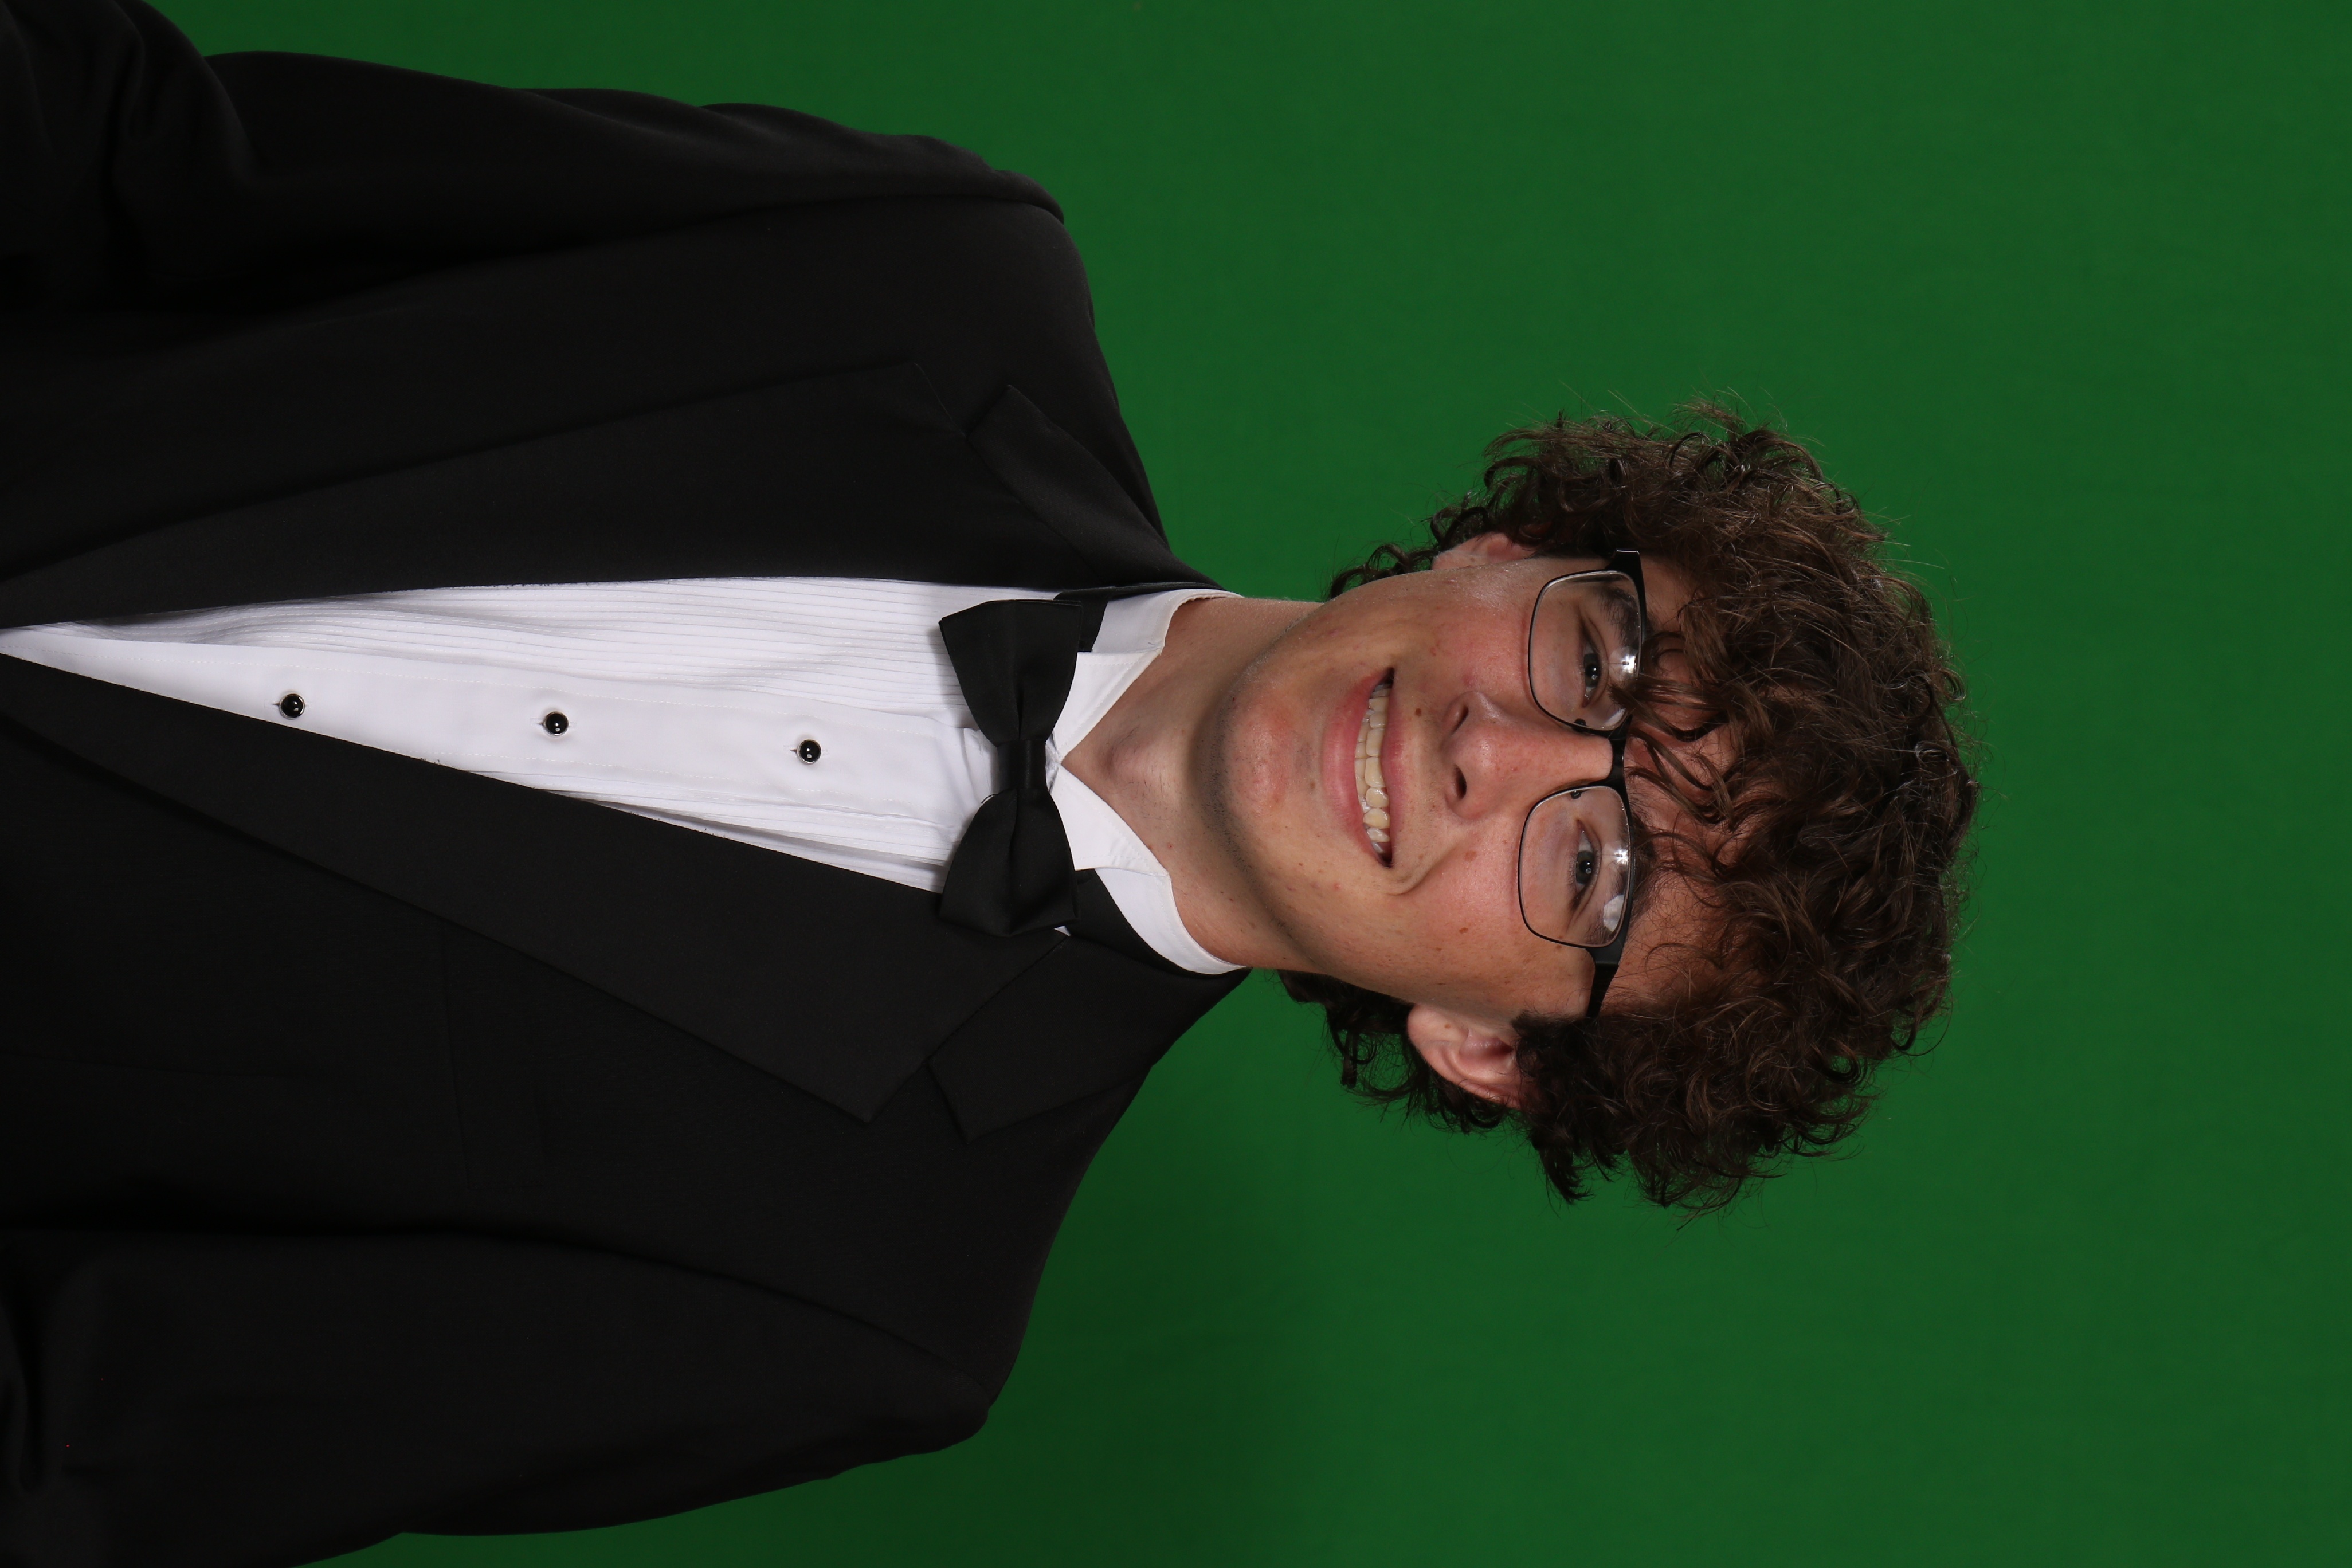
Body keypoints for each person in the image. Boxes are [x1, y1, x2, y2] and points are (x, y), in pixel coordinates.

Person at [0, 0, 1974, 1563]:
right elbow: (135, 155)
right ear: (1509, 550)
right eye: (1598, 662)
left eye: (1598, 872)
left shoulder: (863, 1311)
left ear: (1490, 1044)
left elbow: (63, 1429)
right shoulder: (919, 273)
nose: (1496, 751)